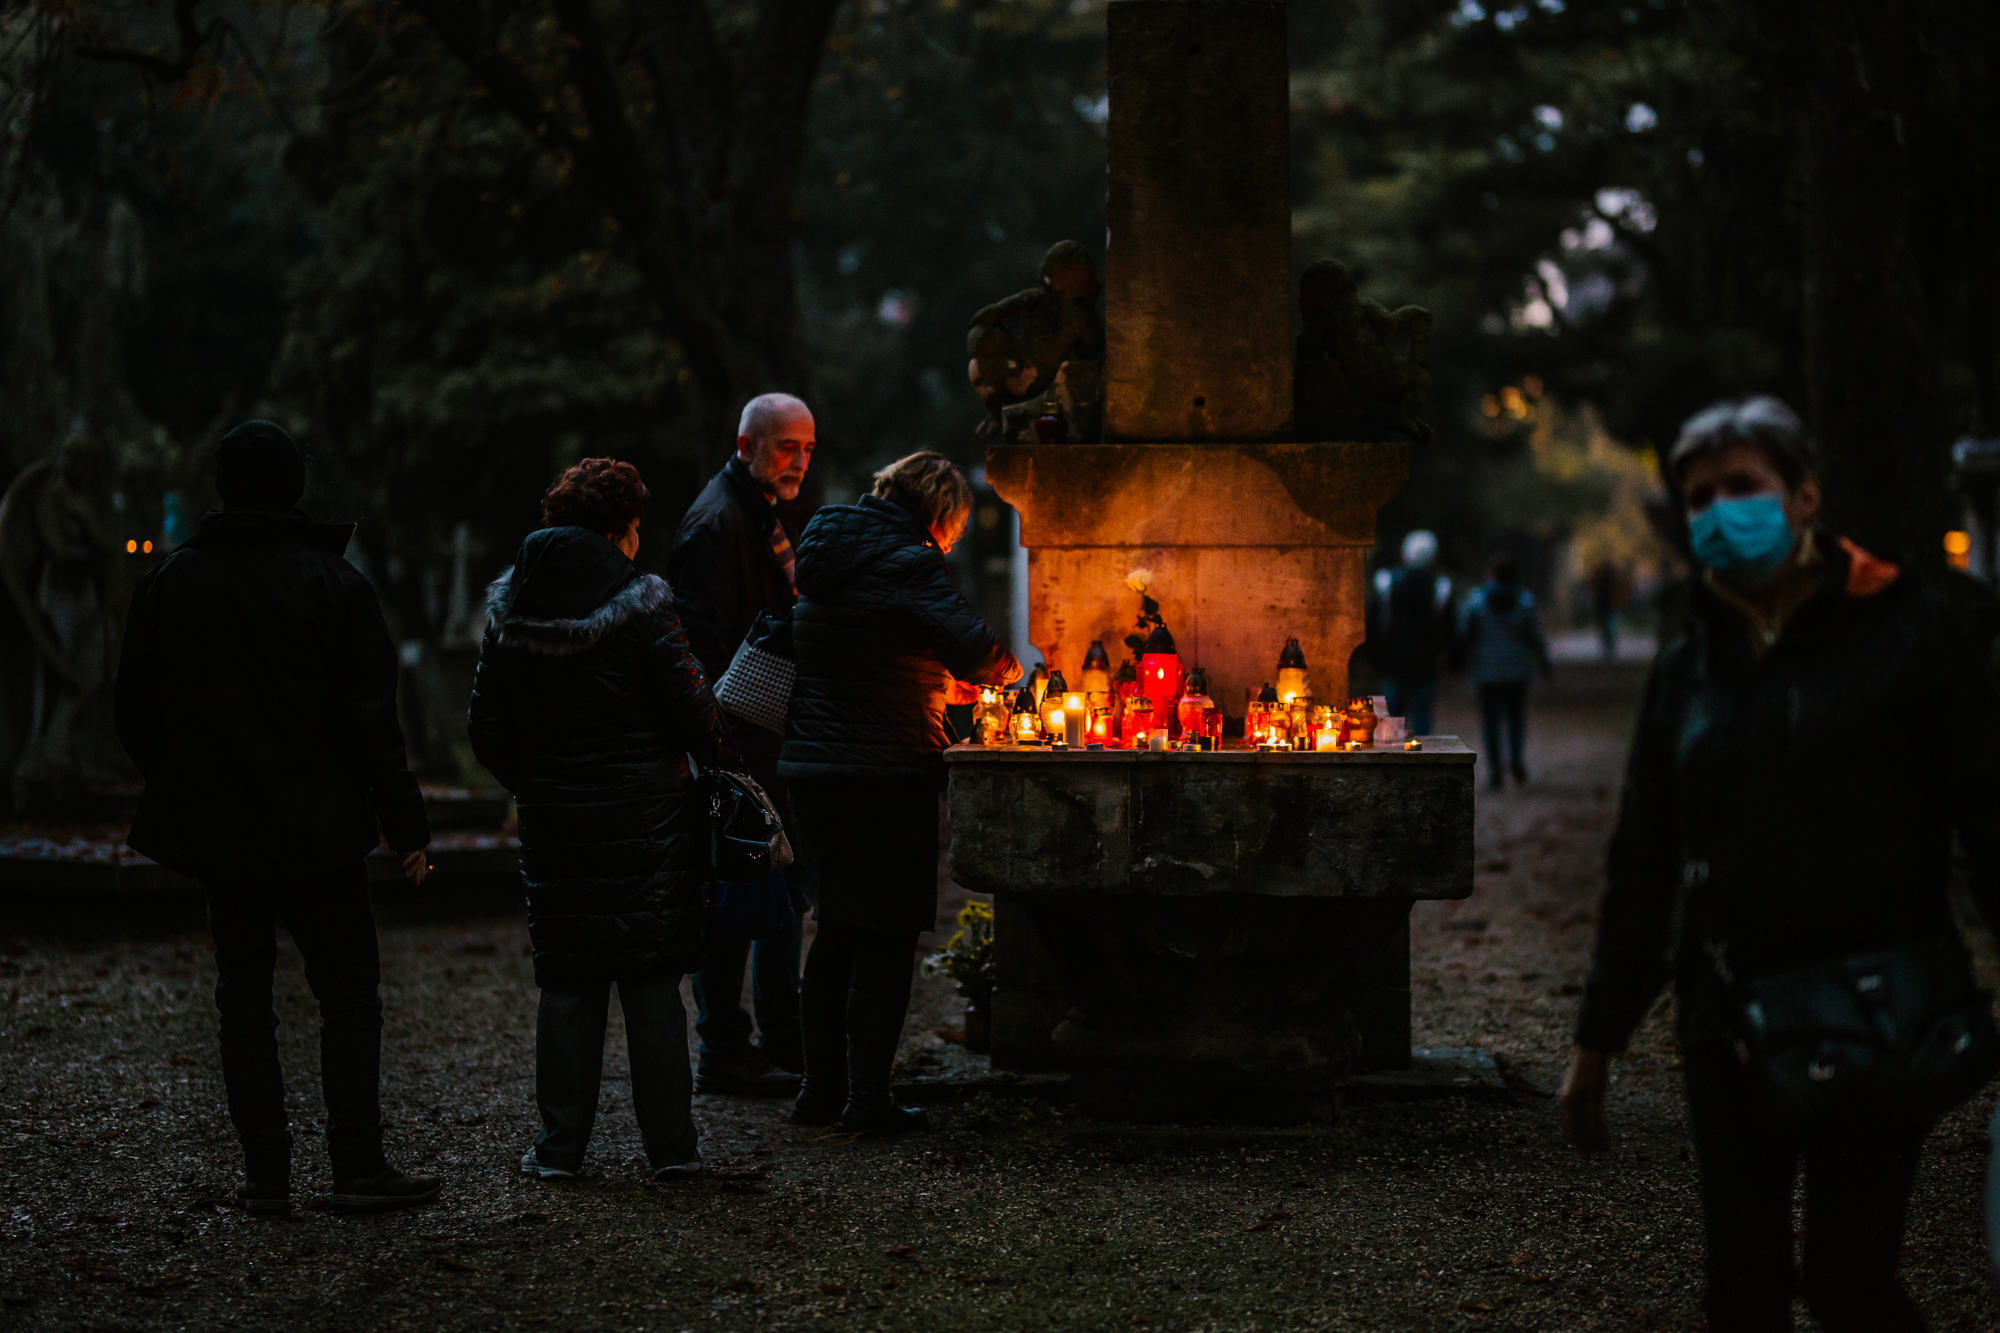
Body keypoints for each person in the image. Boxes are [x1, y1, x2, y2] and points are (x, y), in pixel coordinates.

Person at [1559, 396, 2000, 1332]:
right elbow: (1645, 854)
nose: (1721, 510)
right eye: (1701, 496)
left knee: (1853, 1284)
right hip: (1730, 1024)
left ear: (1804, 496)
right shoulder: (1689, 669)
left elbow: (1988, 807)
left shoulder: (1906, 629)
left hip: (1875, 1005)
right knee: (1742, 1290)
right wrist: (1597, 1040)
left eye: (1743, 487)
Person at [113, 420, 437, 1214]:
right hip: (321, 827)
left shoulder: (175, 579)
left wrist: (182, 780)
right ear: (294, 486)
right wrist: (405, 825)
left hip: (224, 827)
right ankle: (357, 1164)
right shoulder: (334, 583)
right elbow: (373, 720)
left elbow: (134, 707)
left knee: (244, 994)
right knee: (349, 992)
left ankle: (267, 1175)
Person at [468, 458, 740, 1182]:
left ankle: (559, 1149)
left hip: (555, 817)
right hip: (647, 818)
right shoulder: (643, 601)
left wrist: (535, 779)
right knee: (652, 979)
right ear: (621, 525)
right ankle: (672, 1151)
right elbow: (694, 713)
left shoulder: (511, 603)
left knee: (568, 980)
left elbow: (485, 726)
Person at [779, 452, 1021, 1135]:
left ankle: (817, 1091)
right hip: (883, 774)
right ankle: (866, 1102)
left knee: (834, 931)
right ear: (940, 516)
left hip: (814, 770)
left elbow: (868, 645)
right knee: (885, 940)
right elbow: (976, 651)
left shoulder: (827, 545)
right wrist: (1008, 673)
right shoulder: (910, 560)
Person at [667, 393, 814, 1097]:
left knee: (770, 895)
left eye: (807, 448)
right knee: (736, 900)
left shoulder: (751, 510)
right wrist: (722, 752)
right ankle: (727, 1045)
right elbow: (703, 647)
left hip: (760, 739)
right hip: (738, 747)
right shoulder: (717, 522)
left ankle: (770, 1040)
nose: (800, 461)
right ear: (747, 441)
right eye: (788, 446)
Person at [1458, 552, 1551, 789]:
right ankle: (1516, 759)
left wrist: (1461, 662)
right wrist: (1545, 665)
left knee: (1490, 722)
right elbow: (1535, 638)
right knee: (1516, 719)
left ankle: (1496, 770)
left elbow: (1465, 634)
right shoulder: (1525, 601)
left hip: (1486, 672)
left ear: (1491, 574)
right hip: (1517, 671)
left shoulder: (1477, 600)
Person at [1365, 529, 1453, 736]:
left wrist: (1370, 656)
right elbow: (1447, 629)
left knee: (1391, 721)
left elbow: (1373, 623)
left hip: (1393, 661)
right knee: (1422, 719)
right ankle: (1422, 762)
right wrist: (1454, 660)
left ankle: (1392, 762)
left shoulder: (1385, 582)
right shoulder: (1441, 587)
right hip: (1426, 663)